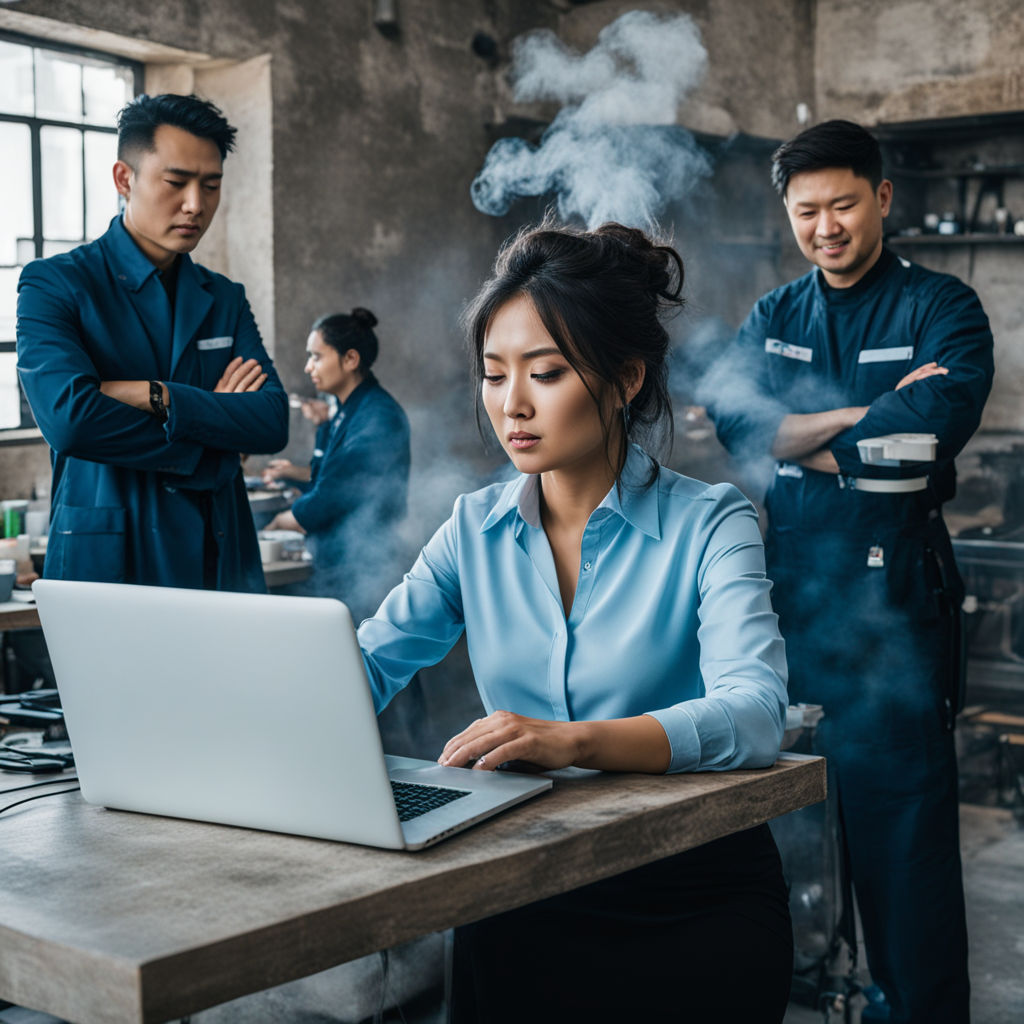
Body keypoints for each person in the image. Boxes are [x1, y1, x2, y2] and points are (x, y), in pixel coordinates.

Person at [357, 221, 793, 1022]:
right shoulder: (472, 528)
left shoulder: (712, 523)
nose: (511, 405)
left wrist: (575, 740)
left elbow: (756, 713)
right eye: (493, 376)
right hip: (522, 890)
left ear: (626, 379)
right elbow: (365, 667)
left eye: (546, 373)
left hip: (689, 893)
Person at [706, 120, 994, 1024]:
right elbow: (736, 432)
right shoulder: (775, 315)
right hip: (787, 599)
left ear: (881, 197)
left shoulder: (943, 307)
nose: (824, 225)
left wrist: (805, 439)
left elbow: (921, 442)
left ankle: (915, 1010)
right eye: (805, 210)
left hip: (895, 608)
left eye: (840, 204)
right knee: (782, 820)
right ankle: (806, 989)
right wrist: (866, 414)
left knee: (901, 834)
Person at [16, 93, 287, 593]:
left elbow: (271, 421)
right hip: (110, 558)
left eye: (211, 186)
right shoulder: (55, 284)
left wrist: (156, 395)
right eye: (176, 182)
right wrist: (214, 444)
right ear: (125, 179)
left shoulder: (223, 297)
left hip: (219, 548)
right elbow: (71, 421)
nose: (195, 205)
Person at [264, 310, 410, 621]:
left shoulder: (377, 417)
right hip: (343, 558)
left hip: (363, 562)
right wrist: (324, 426)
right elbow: (326, 477)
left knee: (369, 659)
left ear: (350, 359)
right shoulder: (348, 410)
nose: (308, 367)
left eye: (316, 357)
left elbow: (329, 496)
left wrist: (278, 522)